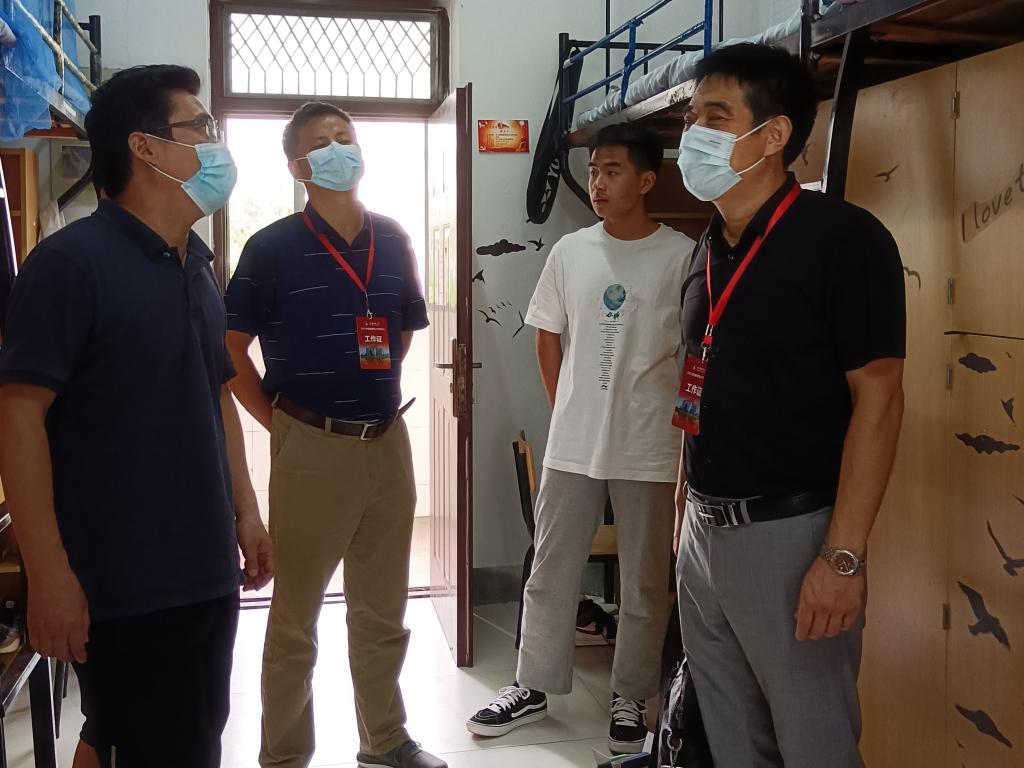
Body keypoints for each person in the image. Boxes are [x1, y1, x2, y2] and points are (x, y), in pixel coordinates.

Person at [0, 64, 274, 768]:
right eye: (200, 126)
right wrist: (47, 573)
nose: (216, 142)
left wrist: (246, 512)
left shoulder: (197, 266)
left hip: (205, 568)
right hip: (123, 579)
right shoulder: (70, 266)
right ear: (146, 147)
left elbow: (216, 396)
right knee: (148, 740)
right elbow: (19, 418)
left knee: (166, 733)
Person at [673, 43, 906, 767]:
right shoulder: (706, 249)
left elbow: (880, 401)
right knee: (731, 741)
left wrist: (843, 558)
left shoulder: (844, 240)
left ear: (772, 135)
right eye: (690, 118)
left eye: (715, 117)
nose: (693, 134)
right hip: (703, 535)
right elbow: (699, 388)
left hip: (792, 535)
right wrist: (683, 517)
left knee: (814, 744)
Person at [224, 101, 440, 768]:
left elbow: (402, 331)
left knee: (383, 611)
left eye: (346, 137)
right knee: (296, 619)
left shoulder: (393, 238)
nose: (339, 149)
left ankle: (386, 740)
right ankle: (285, 756)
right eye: (322, 143)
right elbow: (229, 352)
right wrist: (282, 423)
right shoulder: (270, 248)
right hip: (311, 446)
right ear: (298, 167)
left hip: (387, 442)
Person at [467, 123, 694, 754]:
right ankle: (533, 685)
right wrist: (566, 408)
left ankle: (630, 694)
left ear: (646, 180)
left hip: (650, 445)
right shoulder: (571, 251)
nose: (597, 182)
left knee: (645, 580)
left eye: (612, 170)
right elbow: (547, 336)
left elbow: (693, 355)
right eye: (593, 170)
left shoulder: (682, 256)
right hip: (573, 444)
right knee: (550, 568)